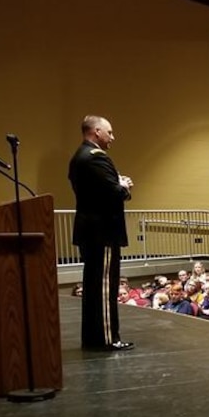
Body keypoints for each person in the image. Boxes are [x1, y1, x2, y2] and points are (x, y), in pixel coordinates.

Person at [69, 115, 134, 351]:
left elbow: (100, 189)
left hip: (90, 231)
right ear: (97, 132)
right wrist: (124, 186)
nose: (113, 137)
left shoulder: (79, 156)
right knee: (105, 287)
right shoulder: (96, 158)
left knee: (94, 287)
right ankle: (108, 338)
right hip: (103, 232)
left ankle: (92, 338)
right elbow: (114, 193)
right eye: (110, 132)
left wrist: (117, 183)